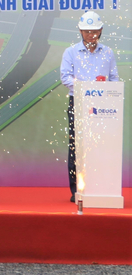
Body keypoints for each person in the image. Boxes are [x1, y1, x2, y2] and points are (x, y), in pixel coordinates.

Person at [59, 11, 119, 202]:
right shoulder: (71, 52)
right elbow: (65, 77)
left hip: (104, 106)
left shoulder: (108, 52)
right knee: (77, 146)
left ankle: (102, 186)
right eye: (86, 31)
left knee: (103, 144)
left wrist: (104, 89)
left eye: (94, 31)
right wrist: (86, 88)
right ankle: (77, 190)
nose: (90, 34)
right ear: (80, 30)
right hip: (78, 103)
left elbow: (114, 79)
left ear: (100, 30)